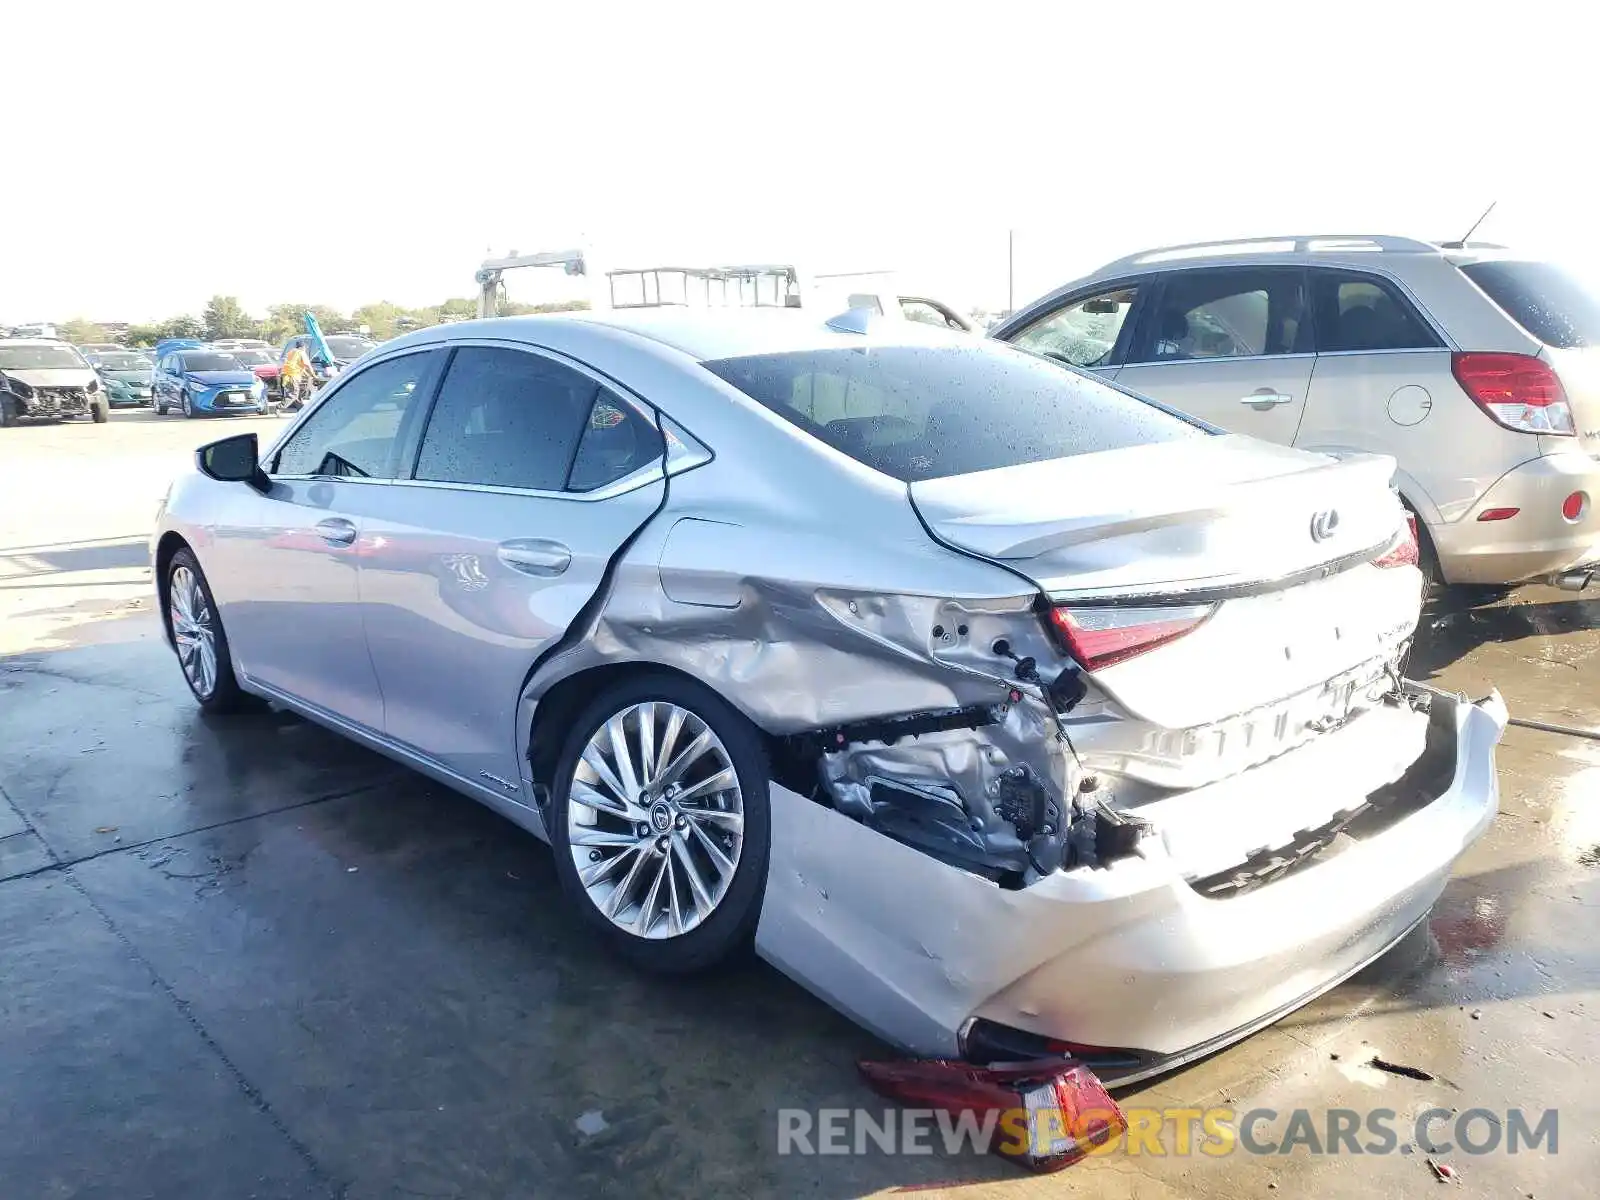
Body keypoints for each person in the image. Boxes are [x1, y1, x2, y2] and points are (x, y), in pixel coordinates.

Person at [280, 343, 313, 411]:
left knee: (297, 393)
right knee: (294, 394)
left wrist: (307, 374)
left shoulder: (291, 352)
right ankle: (280, 407)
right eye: (305, 348)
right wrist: (314, 375)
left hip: (285, 375)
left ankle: (301, 409)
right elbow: (308, 365)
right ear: (302, 347)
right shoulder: (301, 353)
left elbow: (297, 366)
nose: (305, 349)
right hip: (292, 375)